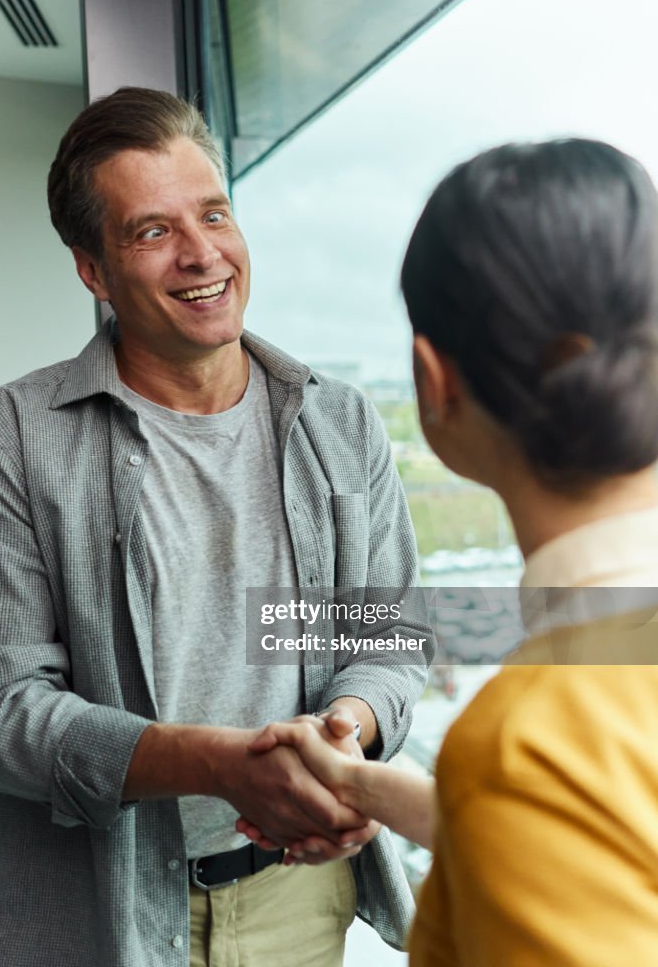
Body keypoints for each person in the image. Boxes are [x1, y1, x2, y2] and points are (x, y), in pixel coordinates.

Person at [0, 87, 430, 967]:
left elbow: (388, 638)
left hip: (298, 904)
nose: (203, 256)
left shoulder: (340, 422)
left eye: (214, 215)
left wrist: (340, 733)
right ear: (92, 269)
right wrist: (217, 764)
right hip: (93, 916)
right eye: (152, 232)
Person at [242, 138, 658, 965]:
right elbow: (600, 836)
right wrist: (364, 785)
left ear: (434, 384)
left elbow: (557, 806)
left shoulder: (533, 737)